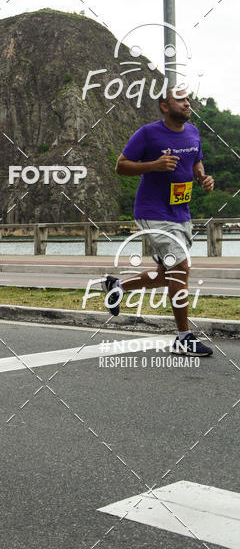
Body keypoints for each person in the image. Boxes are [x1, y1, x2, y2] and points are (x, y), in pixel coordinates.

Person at [104, 88, 214, 357]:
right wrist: (153, 165)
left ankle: (118, 287)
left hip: (181, 212)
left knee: (168, 274)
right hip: (153, 211)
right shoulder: (148, 133)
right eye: (180, 100)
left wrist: (202, 177)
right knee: (181, 269)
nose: (187, 103)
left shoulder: (193, 132)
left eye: (188, 99)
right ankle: (184, 337)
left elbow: (196, 161)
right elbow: (121, 165)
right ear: (165, 106)